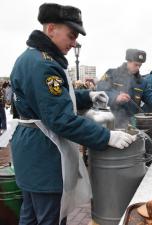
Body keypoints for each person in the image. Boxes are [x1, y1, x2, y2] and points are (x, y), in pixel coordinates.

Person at [10, 3, 135, 225]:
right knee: (51, 217)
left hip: (30, 152)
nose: (74, 42)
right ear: (51, 29)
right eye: (71, 35)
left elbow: (48, 100)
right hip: (44, 152)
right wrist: (106, 137)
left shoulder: (32, 57)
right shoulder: (44, 65)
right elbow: (59, 118)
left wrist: (88, 96)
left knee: (29, 215)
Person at [97, 49, 152, 128]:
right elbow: (100, 91)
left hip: (131, 124)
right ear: (128, 61)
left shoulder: (142, 82)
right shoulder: (111, 74)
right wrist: (116, 97)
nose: (138, 68)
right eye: (135, 65)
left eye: (140, 65)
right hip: (110, 122)